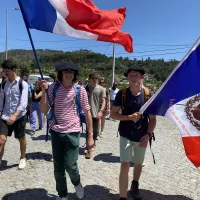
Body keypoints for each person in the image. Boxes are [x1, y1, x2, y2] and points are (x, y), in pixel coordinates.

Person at [40, 62, 94, 200]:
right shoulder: (53, 88)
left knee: (71, 165)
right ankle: (62, 195)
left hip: (73, 132)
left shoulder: (79, 90)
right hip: (56, 132)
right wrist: (44, 92)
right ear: (61, 74)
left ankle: (77, 183)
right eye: (65, 72)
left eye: (71, 72)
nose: (68, 74)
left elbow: (87, 113)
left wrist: (90, 136)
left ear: (74, 74)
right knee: (58, 167)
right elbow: (44, 110)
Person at [111, 66, 156, 200]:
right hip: (125, 134)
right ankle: (123, 197)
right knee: (125, 164)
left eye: (136, 75)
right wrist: (128, 117)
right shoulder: (122, 94)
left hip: (142, 135)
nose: (132, 78)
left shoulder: (149, 94)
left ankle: (135, 184)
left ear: (142, 77)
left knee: (138, 163)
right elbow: (113, 114)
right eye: (130, 75)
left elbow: (153, 119)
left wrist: (148, 135)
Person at [0, 59, 28, 169]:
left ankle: (22, 157)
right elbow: (1, 101)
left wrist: (14, 116)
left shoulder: (23, 84)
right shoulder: (3, 85)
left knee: (21, 138)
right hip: (5, 116)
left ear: (14, 70)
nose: (5, 73)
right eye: (4, 70)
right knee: (1, 140)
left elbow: (23, 103)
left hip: (19, 117)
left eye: (7, 70)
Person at [85, 72, 106, 159]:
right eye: (93, 78)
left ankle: (93, 141)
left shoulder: (101, 89)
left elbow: (104, 101)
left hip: (96, 113)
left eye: (96, 79)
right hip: (88, 113)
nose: (94, 80)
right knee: (88, 131)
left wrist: (101, 111)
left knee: (95, 131)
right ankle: (89, 150)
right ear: (89, 79)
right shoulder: (86, 88)